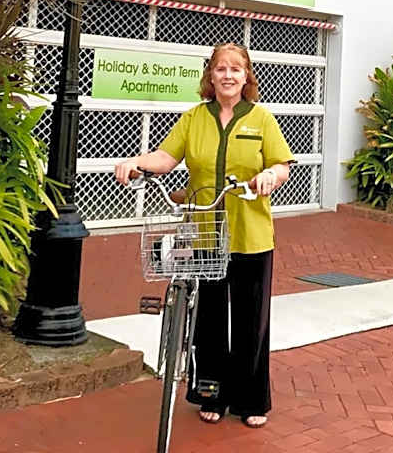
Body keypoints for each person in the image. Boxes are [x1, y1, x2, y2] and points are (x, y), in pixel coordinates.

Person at [114, 42, 294, 429]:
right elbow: (166, 158)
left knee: (251, 320)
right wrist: (135, 162)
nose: (227, 75)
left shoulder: (261, 119)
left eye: (235, 69)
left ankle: (251, 399)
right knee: (208, 319)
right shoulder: (194, 118)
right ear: (209, 76)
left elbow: (282, 165)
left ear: (246, 76)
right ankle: (211, 393)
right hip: (204, 236)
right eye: (220, 68)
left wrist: (268, 177)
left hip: (250, 234)